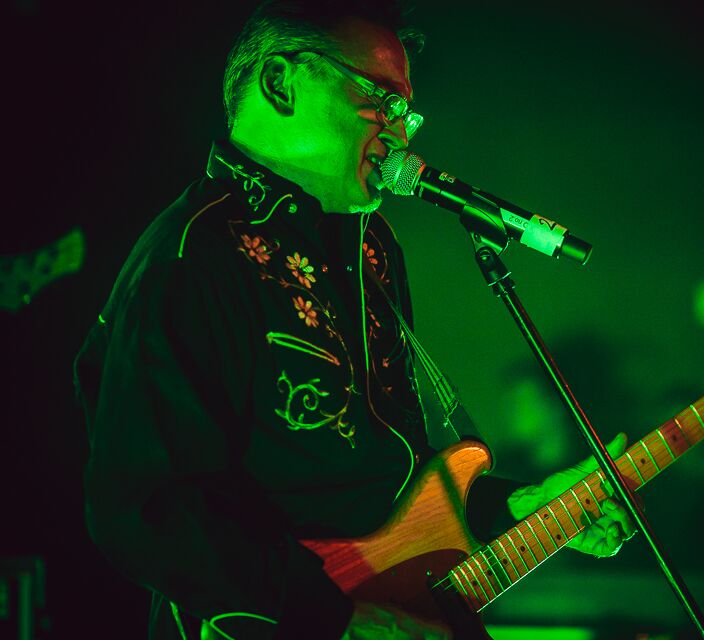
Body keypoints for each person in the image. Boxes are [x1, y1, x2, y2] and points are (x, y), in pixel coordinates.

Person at [74, 2, 636, 638]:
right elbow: (147, 507)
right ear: (281, 83)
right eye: (381, 101)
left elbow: (387, 478)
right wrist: (333, 618)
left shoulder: (374, 248)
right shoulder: (191, 258)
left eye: (406, 112)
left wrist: (516, 507)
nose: (401, 134)